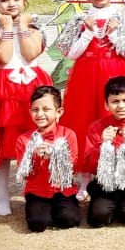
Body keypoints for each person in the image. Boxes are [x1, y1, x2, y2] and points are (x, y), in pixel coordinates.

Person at [0, 0, 51, 216]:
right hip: (3, 87)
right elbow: (2, 58)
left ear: (24, 1)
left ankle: (33, 189)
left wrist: (22, 26)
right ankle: (2, 196)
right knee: (2, 144)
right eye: (4, 0)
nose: (11, 4)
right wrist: (6, 29)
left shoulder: (34, 28)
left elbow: (30, 52)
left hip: (31, 86)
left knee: (35, 139)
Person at [54, 0, 125, 141]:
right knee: (85, 113)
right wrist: (87, 32)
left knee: (115, 111)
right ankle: (88, 152)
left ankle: (119, 150)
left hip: (115, 71)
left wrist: (114, 34)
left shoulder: (123, 17)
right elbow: (71, 54)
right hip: (85, 74)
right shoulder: (80, 19)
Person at [80, 77, 125, 227]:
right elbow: (89, 166)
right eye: (115, 101)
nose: (121, 106)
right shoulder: (96, 128)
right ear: (106, 104)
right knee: (98, 218)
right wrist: (101, 145)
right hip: (107, 179)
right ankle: (105, 199)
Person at [15, 86, 81, 233]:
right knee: (37, 225)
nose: (40, 114)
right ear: (30, 111)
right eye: (35, 110)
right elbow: (25, 175)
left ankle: (60, 208)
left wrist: (56, 157)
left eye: (46, 109)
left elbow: (73, 168)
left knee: (69, 220)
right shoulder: (24, 139)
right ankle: (40, 210)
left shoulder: (68, 135)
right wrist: (35, 158)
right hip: (37, 191)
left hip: (63, 189)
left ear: (59, 112)